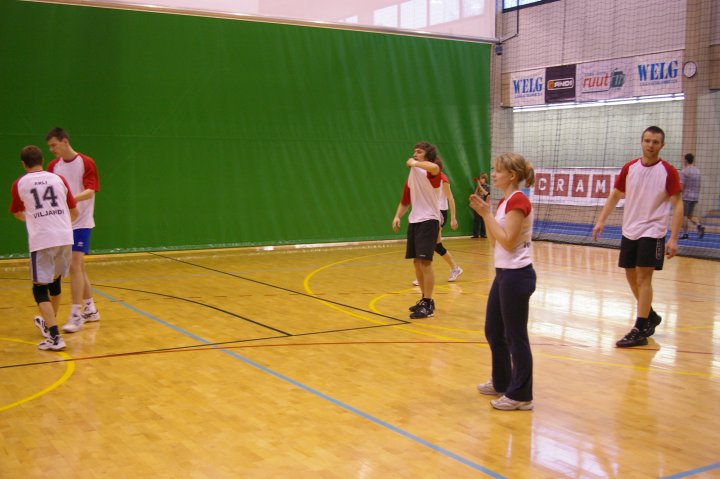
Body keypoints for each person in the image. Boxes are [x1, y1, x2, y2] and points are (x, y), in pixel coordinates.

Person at [592, 126, 683, 348]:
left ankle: (640, 328)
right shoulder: (629, 168)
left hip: (653, 230)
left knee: (644, 277)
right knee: (631, 275)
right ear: (642, 142)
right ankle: (650, 315)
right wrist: (601, 220)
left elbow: (678, 204)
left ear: (662, 145)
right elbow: (615, 195)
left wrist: (673, 238)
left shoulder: (668, 171)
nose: (650, 145)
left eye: (655, 142)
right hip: (630, 229)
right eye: (647, 140)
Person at [470, 153, 536, 411]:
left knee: (515, 336)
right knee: (494, 330)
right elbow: (494, 242)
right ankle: (502, 381)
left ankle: (521, 395)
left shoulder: (519, 201)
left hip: (517, 275)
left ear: (512, 175)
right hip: (503, 274)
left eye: (498, 171)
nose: (493, 175)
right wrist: (485, 215)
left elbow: (508, 241)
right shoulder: (504, 202)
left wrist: (487, 215)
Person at [9, 145, 78, 350]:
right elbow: (74, 212)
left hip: (43, 239)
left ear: (23, 164)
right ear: (42, 160)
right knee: (55, 282)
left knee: (39, 288)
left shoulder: (20, 183)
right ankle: (50, 325)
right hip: (65, 236)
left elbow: (17, 212)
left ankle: (55, 337)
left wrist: (34, 220)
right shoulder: (58, 179)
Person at [46, 127, 101, 333]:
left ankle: (76, 315)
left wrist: (69, 200)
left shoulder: (86, 162)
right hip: (63, 223)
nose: (52, 150)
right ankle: (91, 309)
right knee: (79, 268)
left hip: (82, 221)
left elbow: (90, 191)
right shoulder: (53, 166)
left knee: (74, 266)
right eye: (49, 146)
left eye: (54, 145)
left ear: (65, 141)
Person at [392, 142, 442, 319]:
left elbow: (435, 168)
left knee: (425, 263)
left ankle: (428, 303)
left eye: (419, 152)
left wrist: (414, 163)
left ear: (427, 155)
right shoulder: (412, 176)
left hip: (429, 220)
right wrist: (397, 216)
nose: (415, 154)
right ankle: (423, 299)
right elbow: (405, 201)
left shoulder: (429, 171)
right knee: (416, 262)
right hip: (415, 221)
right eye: (414, 152)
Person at [411, 168, 463, 285]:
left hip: (439, 213)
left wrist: (453, 218)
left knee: (427, 243)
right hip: (430, 212)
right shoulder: (426, 178)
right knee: (437, 246)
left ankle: (423, 275)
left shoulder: (443, 179)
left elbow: (451, 198)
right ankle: (455, 268)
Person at [680, 153, 704, 239]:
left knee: (684, 216)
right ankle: (699, 225)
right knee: (690, 215)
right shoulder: (698, 171)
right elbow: (699, 185)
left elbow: (682, 186)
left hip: (686, 196)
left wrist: (679, 195)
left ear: (686, 160)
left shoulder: (684, 171)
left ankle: (685, 234)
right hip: (695, 196)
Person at [472, 173, 490, 238]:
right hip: (477, 205)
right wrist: (478, 187)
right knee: (476, 220)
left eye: (482, 178)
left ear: (485, 179)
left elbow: (486, 194)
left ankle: (483, 234)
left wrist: (480, 186)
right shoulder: (478, 187)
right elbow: (475, 194)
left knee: (483, 220)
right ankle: (475, 234)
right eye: (480, 178)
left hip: (484, 205)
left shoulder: (488, 186)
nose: (481, 180)